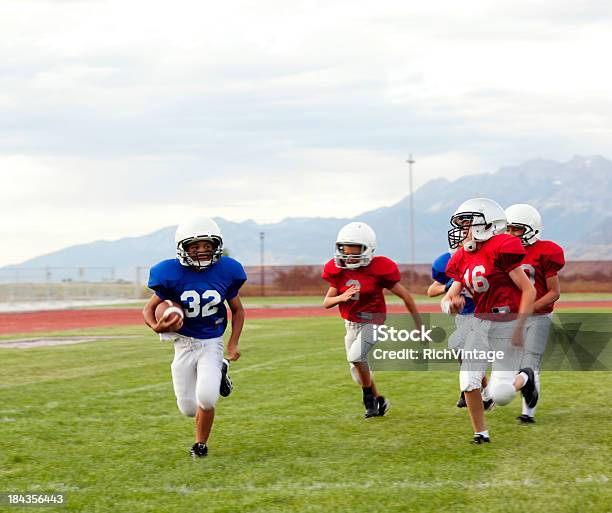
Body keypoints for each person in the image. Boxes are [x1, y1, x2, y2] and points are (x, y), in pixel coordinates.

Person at [142, 216, 246, 458]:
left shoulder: (226, 271)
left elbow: (238, 309)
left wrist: (233, 341)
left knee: (207, 398)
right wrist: (157, 327)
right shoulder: (169, 273)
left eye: (207, 246)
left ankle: (200, 445)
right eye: (195, 247)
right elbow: (148, 309)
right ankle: (221, 370)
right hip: (183, 344)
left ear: (216, 246)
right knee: (188, 409)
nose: (202, 252)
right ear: (183, 248)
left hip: (211, 342)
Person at [441, 198, 536, 444]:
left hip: (508, 320)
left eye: (467, 224)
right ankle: (480, 433)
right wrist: (450, 304)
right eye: (461, 225)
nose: (463, 231)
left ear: (488, 224)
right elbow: (450, 295)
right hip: (480, 322)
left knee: (501, 394)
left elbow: (529, 291)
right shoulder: (462, 256)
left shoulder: (502, 246)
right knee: (468, 380)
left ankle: (526, 377)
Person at [322, 221, 422, 418]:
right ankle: (379, 400)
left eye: (354, 252)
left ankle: (368, 398)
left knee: (356, 357)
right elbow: (326, 302)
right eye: (345, 251)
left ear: (368, 249)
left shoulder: (378, 269)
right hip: (350, 325)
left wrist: (419, 325)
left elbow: (405, 296)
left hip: (374, 322)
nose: (348, 257)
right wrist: (341, 297)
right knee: (357, 371)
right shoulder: (338, 270)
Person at [505, 203, 565, 424]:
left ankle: (527, 415)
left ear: (532, 228)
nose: (511, 234)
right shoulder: (504, 252)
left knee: (530, 363)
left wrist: (530, 307)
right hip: (511, 316)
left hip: (539, 315)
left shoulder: (545, 251)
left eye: (516, 229)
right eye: (508, 229)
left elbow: (554, 292)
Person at [428, 249, 494, 410]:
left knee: (463, 348)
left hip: (484, 314)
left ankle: (475, 388)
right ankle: (481, 391)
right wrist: (448, 288)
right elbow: (431, 291)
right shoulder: (447, 260)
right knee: (462, 350)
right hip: (463, 315)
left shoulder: (487, 254)